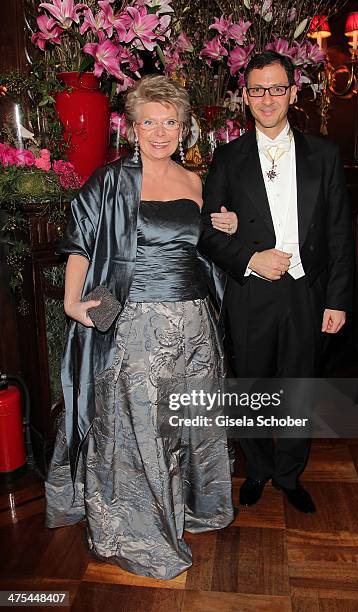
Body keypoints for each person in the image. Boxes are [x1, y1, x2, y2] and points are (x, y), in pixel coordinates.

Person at [45, 74, 239, 580]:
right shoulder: (111, 180)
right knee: (140, 428)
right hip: (135, 323)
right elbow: (81, 241)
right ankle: (139, 530)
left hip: (195, 323)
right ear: (132, 128)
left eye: (170, 122)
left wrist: (225, 229)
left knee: (192, 421)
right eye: (149, 121)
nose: (160, 132)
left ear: (184, 127)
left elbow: (204, 251)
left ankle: (193, 509)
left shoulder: (197, 181)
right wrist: (72, 301)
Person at [198, 51, 354, 515]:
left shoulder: (325, 154)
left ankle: (289, 473)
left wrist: (338, 299)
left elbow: (340, 232)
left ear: (293, 92)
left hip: (308, 292)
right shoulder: (227, 157)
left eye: (277, 88)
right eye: (258, 89)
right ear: (245, 96)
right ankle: (260, 467)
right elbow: (205, 232)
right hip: (251, 292)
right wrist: (249, 256)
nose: (267, 98)